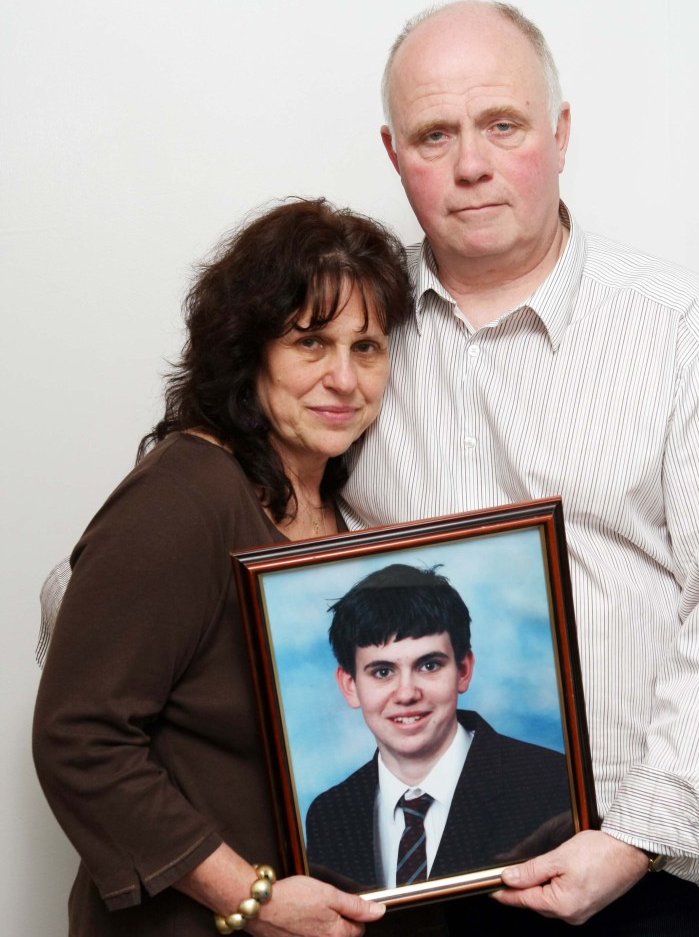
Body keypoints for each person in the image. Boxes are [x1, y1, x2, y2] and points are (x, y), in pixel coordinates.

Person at [339, 0, 699, 937]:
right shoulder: (345, 348)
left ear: (560, 130)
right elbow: (238, 524)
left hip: (650, 872)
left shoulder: (681, 334)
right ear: (392, 154)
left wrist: (630, 841)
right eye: (434, 134)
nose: (471, 163)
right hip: (423, 882)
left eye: (501, 124)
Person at [32, 198, 411, 937]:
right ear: (247, 351)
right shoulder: (184, 496)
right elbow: (79, 735)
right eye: (310, 342)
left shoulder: (339, 504)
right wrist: (252, 897)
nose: (344, 378)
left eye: (366, 347)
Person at [305, 564, 572, 892]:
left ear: (463, 670)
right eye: (382, 672)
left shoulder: (550, 782)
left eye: (428, 665)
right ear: (349, 685)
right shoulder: (329, 814)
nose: (406, 693)